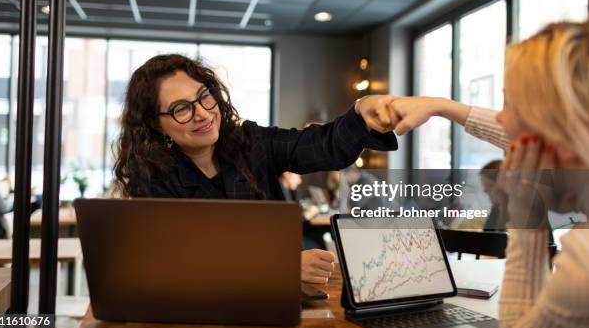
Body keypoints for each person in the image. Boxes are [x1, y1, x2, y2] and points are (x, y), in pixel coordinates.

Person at [113, 54, 398, 284]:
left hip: (278, 310)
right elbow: (182, 266)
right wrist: (282, 268)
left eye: (203, 96)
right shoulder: (152, 181)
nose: (202, 113)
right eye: (181, 108)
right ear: (154, 123)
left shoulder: (251, 143)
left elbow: (324, 145)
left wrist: (364, 111)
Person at [383, 21, 589, 328]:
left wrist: (526, 221)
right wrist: (441, 106)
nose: (501, 118)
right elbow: (524, 139)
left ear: (560, 129)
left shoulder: (584, 267)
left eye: (511, 104)